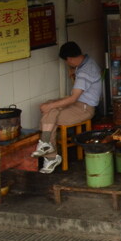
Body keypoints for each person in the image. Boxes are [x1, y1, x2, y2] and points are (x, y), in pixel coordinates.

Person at [31, 41, 103, 174]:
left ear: (69, 59)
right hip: (79, 103)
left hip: (84, 109)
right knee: (49, 110)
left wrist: (51, 106)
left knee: (50, 115)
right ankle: (46, 146)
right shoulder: (87, 61)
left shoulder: (85, 72)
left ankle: (49, 152)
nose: (67, 64)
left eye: (66, 61)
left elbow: (73, 98)